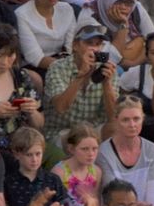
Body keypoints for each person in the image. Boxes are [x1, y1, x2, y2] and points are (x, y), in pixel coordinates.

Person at [43, 17, 117, 147]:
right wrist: (80, 77)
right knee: (80, 143)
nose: (94, 49)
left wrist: (106, 84)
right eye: (89, 43)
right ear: (75, 45)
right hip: (63, 132)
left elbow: (113, 116)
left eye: (98, 44)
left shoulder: (108, 69)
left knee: (115, 128)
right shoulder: (57, 67)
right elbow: (60, 107)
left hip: (94, 131)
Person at [96, 97, 154, 206]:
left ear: (143, 119)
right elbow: (114, 196)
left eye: (136, 119)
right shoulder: (103, 153)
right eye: (125, 120)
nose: (132, 124)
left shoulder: (153, 150)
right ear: (116, 120)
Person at [15, 0, 75, 74]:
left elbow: (71, 46)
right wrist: (67, 68)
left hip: (65, 62)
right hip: (37, 68)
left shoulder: (67, 9)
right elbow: (34, 57)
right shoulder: (22, 15)